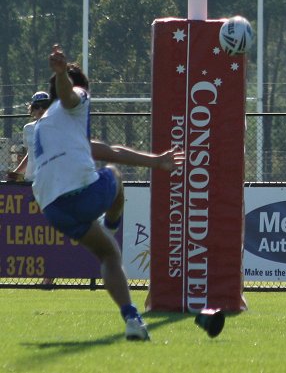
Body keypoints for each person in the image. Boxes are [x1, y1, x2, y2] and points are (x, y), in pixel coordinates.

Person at [32, 44, 184, 341]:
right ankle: (111, 223)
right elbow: (69, 95)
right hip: (81, 194)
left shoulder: (47, 124)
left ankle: (131, 318)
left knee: (109, 253)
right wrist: (64, 74)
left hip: (52, 208)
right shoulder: (76, 98)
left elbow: (107, 149)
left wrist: (154, 161)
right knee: (114, 176)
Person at [7, 91, 55, 287]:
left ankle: (49, 275)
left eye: (45, 106)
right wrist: (17, 172)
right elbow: (30, 155)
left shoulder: (56, 128)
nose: (41, 110)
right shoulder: (28, 129)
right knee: (28, 232)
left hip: (47, 184)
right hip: (29, 183)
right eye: (38, 106)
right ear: (33, 109)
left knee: (48, 233)